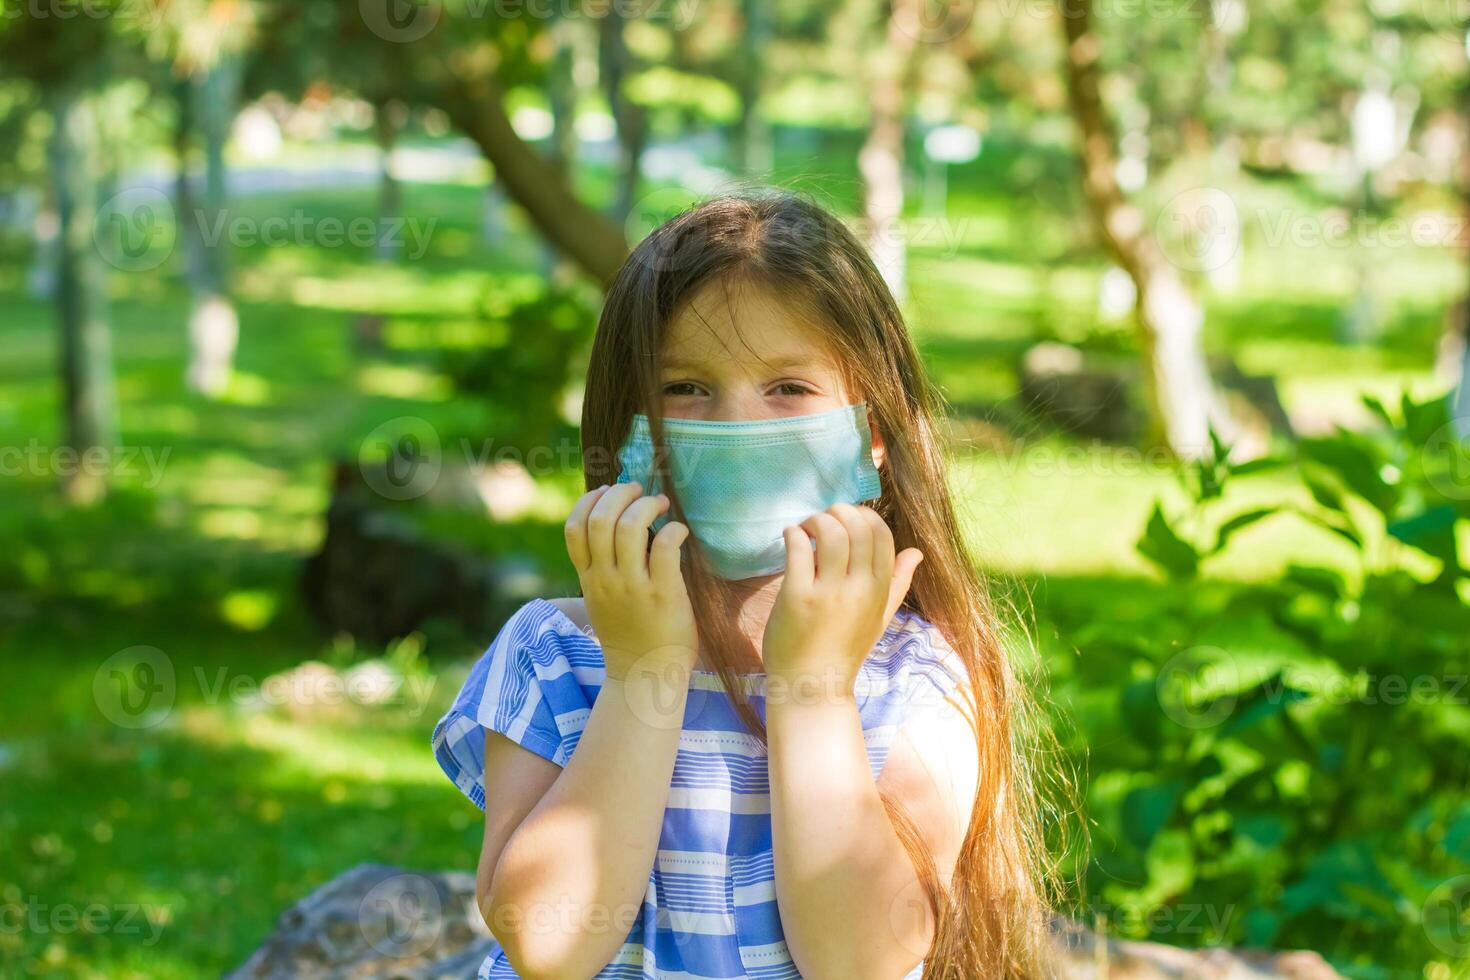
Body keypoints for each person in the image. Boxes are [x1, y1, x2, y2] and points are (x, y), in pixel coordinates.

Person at [434, 191, 1054, 978]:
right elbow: (549, 944)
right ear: (625, 428)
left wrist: (816, 689)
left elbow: (860, 959)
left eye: (788, 388)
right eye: (684, 388)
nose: (736, 426)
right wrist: (643, 672)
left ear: (871, 435)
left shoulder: (914, 679)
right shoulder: (555, 654)